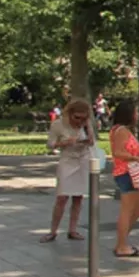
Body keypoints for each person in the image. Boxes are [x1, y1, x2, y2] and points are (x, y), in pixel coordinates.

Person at [43, 99, 94, 242]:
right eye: (77, 117)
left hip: (82, 159)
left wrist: (88, 132)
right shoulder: (58, 124)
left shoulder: (85, 123)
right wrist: (64, 143)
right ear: (69, 114)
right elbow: (50, 144)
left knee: (78, 197)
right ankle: (53, 231)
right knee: (62, 197)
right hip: (67, 160)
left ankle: (73, 230)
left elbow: (92, 142)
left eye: (83, 118)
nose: (79, 121)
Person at [109, 100, 139, 257]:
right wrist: (137, 159)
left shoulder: (123, 130)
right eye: (136, 112)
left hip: (129, 174)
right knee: (127, 211)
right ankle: (121, 245)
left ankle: (122, 241)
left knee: (138, 209)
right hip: (126, 173)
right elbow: (118, 153)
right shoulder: (121, 131)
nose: (137, 115)